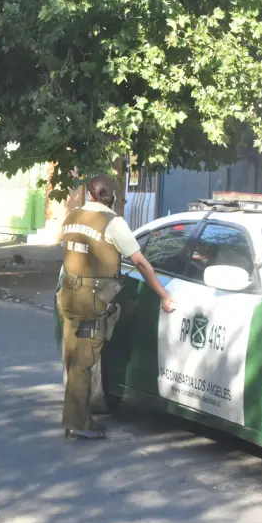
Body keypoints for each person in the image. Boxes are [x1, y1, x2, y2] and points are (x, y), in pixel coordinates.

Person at [58, 174, 175, 440]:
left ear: (90, 194)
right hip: (93, 300)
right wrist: (163, 294)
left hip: (68, 295)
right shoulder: (114, 224)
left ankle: (76, 416)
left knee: (72, 357)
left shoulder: (72, 217)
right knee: (84, 362)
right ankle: (78, 422)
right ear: (112, 196)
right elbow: (141, 263)